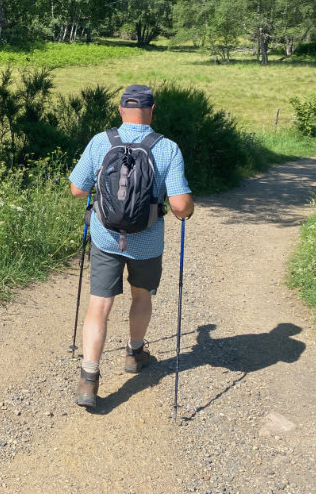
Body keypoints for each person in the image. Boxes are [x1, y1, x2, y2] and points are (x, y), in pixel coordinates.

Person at [68, 84, 194, 407]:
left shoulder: (100, 142)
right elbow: (180, 206)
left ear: (121, 109)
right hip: (147, 242)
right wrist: (186, 209)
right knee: (141, 296)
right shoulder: (168, 148)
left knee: (99, 306)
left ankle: (88, 378)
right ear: (152, 111)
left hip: (105, 236)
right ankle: (134, 354)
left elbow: (76, 190)